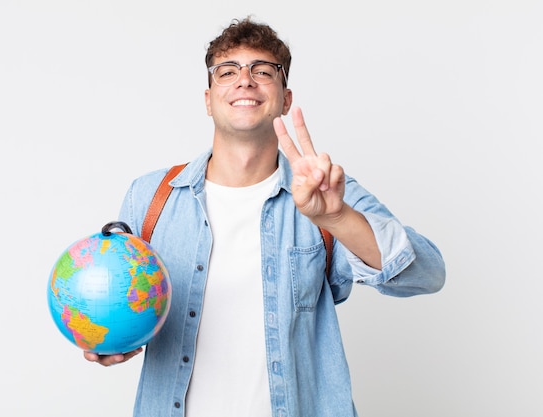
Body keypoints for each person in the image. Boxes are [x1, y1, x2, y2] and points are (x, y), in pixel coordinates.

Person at [84, 16, 446, 417]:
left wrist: (338, 217)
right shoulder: (151, 197)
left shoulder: (324, 190)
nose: (245, 80)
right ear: (208, 99)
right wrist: (106, 339)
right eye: (227, 71)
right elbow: (120, 305)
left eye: (263, 70)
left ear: (285, 98)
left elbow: (427, 274)